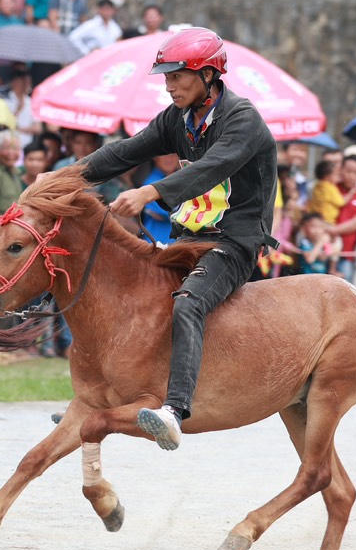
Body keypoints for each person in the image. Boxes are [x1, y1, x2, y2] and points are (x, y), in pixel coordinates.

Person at [73, 27, 278, 450]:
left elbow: (212, 167)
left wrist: (151, 191)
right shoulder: (177, 119)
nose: (168, 85)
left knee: (188, 302)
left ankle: (173, 410)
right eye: (164, 76)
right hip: (187, 238)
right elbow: (125, 151)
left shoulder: (242, 119)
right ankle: (102, 397)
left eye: (177, 76)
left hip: (233, 245)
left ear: (208, 75)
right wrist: (64, 177)